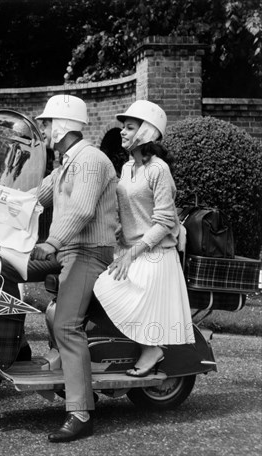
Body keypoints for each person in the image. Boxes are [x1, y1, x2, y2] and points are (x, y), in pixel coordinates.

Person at [0, 95, 117, 443]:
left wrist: (50, 242)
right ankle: (13, 346)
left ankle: (81, 412)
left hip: (89, 253)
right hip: (67, 251)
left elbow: (80, 211)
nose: (46, 129)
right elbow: (32, 199)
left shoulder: (91, 161)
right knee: (6, 269)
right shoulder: (65, 164)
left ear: (65, 125)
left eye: (50, 123)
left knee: (66, 325)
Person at [93, 100, 195, 378]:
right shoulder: (127, 167)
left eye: (129, 127)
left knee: (107, 290)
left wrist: (132, 252)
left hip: (154, 254)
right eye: (123, 127)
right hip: (128, 249)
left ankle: (151, 349)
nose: (122, 132)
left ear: (146, 131)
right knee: (95, 290)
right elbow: (125, 212)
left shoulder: (159, 170)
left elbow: (164, 221)